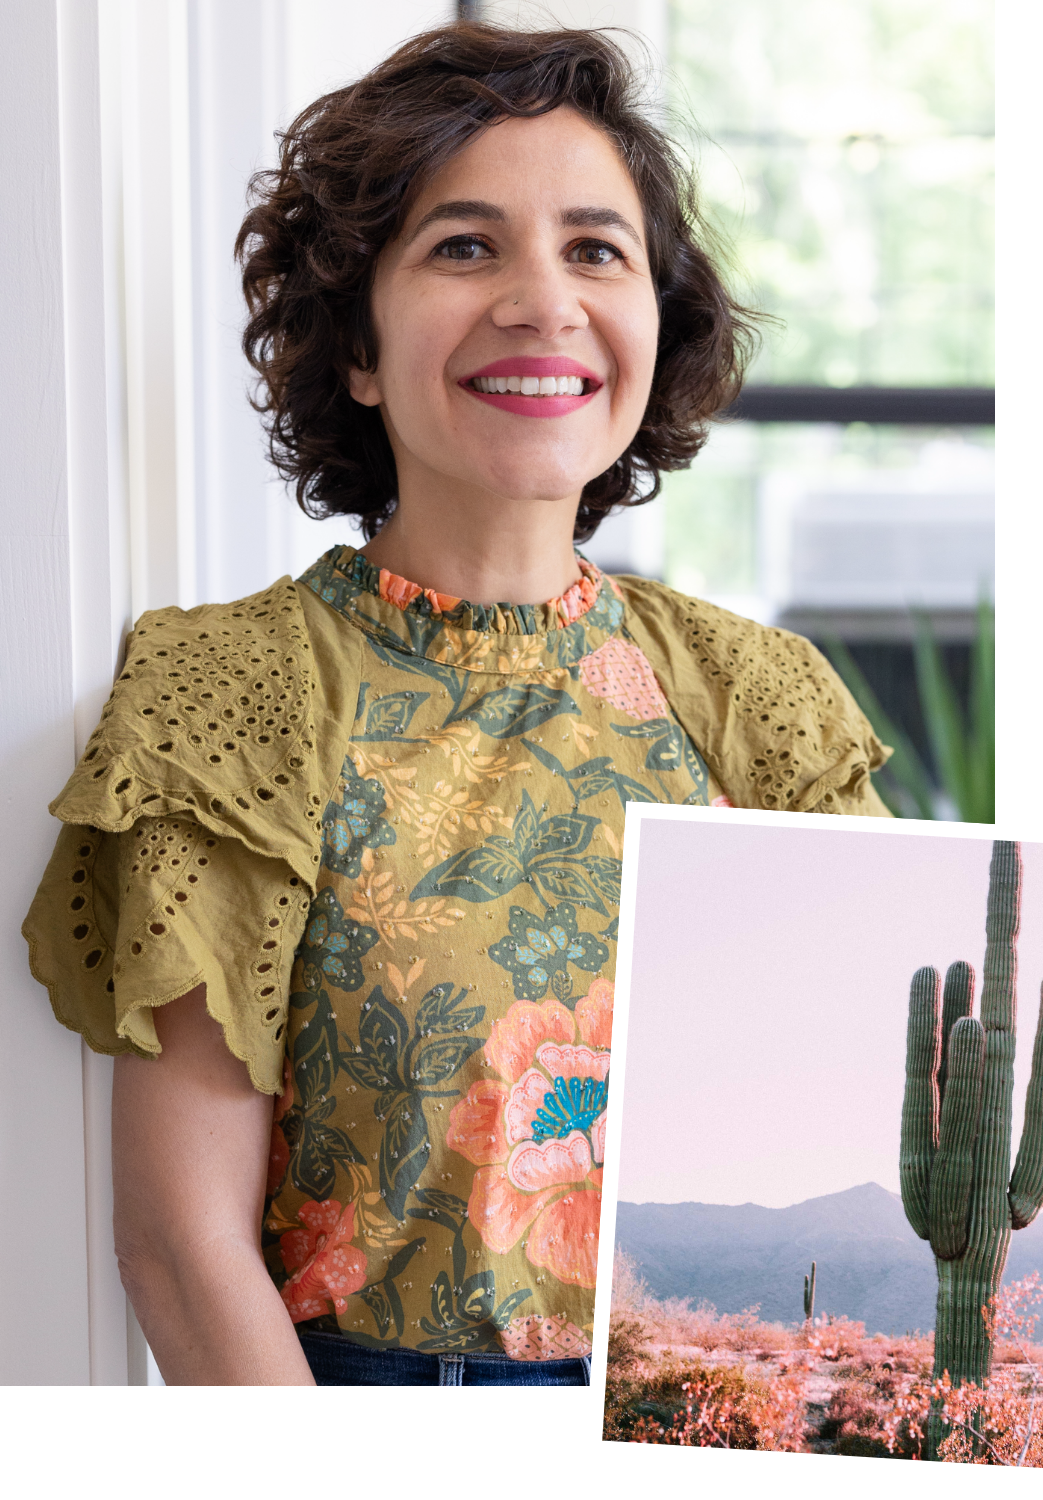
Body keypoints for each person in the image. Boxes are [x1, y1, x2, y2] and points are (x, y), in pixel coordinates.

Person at [22, 22, 891, 1387]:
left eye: (594, 250)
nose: (542, 301)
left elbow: (862, 1105)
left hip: (729, 1399)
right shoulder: (236, 688)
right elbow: (180, 1248)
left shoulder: (758, 693)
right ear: (356, 347)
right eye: (463, 246)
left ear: (654, 335)